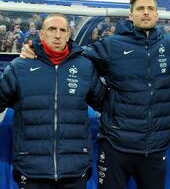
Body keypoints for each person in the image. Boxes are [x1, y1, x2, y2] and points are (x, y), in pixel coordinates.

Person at [21, 0, 170, 189]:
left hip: (155, 147)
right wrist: (36, 50)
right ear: (130, 15)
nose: (145, 12)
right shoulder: (112, 45)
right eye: (140, 8)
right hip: (116, 145)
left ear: (157, 14)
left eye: (150, 8)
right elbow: (74, 54)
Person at [0, 13, 105, 189]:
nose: (57, 34)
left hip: (74, 168)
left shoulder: (84, 67)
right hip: (31, 168)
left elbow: (105, 104)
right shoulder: (20, 66)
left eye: (62, 30)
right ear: (41, 34)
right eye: (52, 29)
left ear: (68, 34)